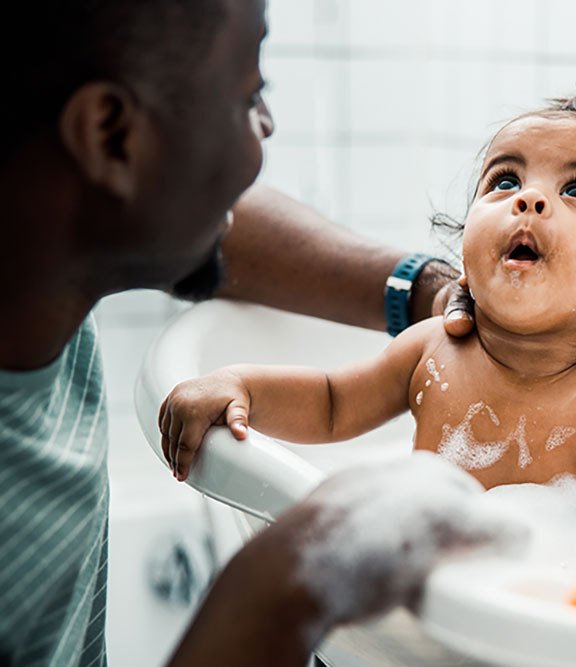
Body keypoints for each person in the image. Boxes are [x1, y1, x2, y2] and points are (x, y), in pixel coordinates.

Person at [0, 1, 507, 665]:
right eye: (249, 98)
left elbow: (212, 228)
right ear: (111, 136)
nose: (263, 133)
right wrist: (288, 577)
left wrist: (427, 290)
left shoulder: (34, 282)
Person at [160, 90, 576, 528]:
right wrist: (242, 387)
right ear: (464, 260)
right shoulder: (435, 350)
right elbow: (331, 403)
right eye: (506, 180)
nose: (528, 199)